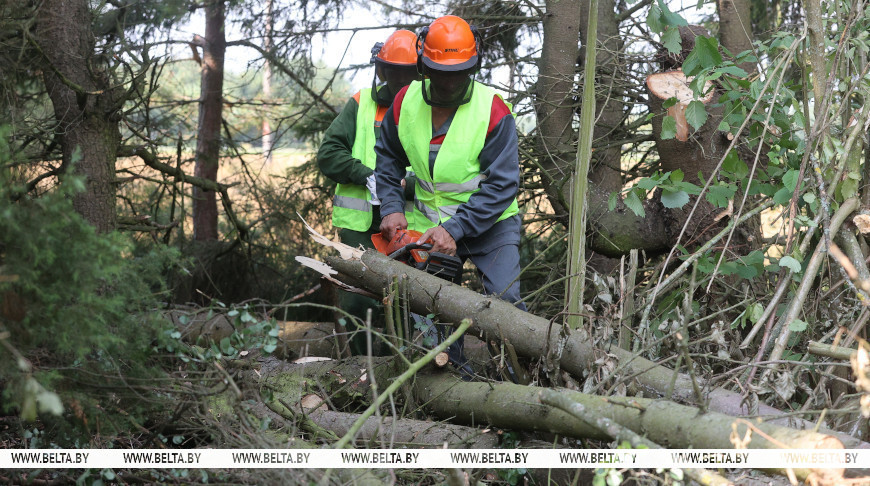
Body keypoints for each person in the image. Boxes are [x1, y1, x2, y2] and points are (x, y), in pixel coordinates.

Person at [374, 15, 526, 374]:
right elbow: (388, 158)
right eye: (442, 73)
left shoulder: (493, 110)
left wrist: (455, 229)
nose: (451, 81)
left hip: (491, 226)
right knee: (431, 310)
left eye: (460, 72)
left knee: (505, 302)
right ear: (424, 66)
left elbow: (502, 184)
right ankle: (450, 383)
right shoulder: (404, 102)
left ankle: (520, 380)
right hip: (430, 227)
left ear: (474, 65)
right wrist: (392, 206)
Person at [317, 30, 419, 355]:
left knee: (405, 301)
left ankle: (399, 368)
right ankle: (360, 370)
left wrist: (406, 185)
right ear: (381, 69)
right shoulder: (362, 103)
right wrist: (366, 176)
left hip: (409, 225)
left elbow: (443, 170)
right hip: (359, 225)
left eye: (407, 73)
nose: (399, 80)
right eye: (393, 72)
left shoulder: (429, 109)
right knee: (356, 304)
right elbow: (328, 154)